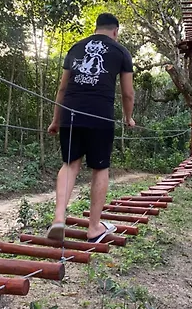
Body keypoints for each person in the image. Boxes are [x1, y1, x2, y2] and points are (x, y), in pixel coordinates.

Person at [46, 13, 135, 243]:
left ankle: (58, 218)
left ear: (96, 29)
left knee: (70, 164)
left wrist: (55, 120)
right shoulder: (121, 51)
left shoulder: (76, 47)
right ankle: (94, 228)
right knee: (100, 168)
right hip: (100, 115)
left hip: (70, 114)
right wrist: (128, 118)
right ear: (115, 31)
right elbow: (127, 93)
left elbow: (62, 89)